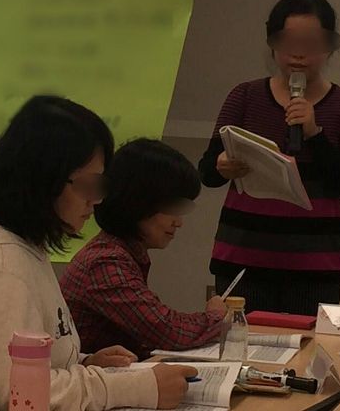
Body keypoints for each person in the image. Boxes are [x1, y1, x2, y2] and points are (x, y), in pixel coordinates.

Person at [0, 96, 195, 411]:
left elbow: (30, 359)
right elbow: (22, 396)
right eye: (88, 185)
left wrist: (85, 362)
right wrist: (137, 387)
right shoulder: (3, 269)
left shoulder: (25, 249)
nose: (96, 200)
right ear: (43, 179)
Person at [199, 0, 340, 316]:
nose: (299, 54)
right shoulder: (244, 96)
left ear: (329, 46)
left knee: (306, 347)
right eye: (288, 42)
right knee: (241, 344)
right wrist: (221, 165)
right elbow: (206, 171)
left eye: (311, 43)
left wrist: (315, 135)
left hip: (314, 267)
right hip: (242, 260)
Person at [61, 139, 226, 359]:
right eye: (171, 207)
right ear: (138, 201)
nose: (178, 222)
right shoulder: (106, 261)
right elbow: (168, 331)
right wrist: (216, 316)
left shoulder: (120, 252)